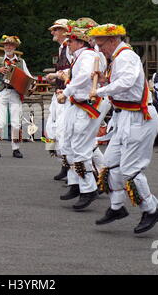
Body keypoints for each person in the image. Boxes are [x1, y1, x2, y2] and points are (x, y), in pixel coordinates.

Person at [88, 23, 158, 234]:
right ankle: (116, 207)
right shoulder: (117, 59)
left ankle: (151, 209)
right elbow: (121, 83)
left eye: (100, 44)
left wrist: (100, 89)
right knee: (110, 164)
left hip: (139, 118)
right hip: (124, 118)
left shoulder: (127, 56)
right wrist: (104, 80)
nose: (99, 48)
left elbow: (128, 82)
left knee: (130, 169)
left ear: (113, 40)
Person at [56, 26, 106, 210]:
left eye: (70, 40)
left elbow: (86, 76)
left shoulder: (88, 56)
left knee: (79, 147)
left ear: (79, 42)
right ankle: (75, 183)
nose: (67, 43)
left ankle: (88, 189)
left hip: (86, 106)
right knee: (66, 144)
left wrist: (67, 90)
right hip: (75, 103)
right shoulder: (80, 56)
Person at [0, 35, 33, 158]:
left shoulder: (21, 62)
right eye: (6, 45)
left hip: (15, 93)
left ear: (15, 47)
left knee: (16, 122)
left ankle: (16, 148)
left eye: (11, 45)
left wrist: (31, 86)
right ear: (3, 47)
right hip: (3, 92)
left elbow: (29, 77)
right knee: (0, 121)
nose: (8, 47)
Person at [45, 19, 72, 181]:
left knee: (63, 131)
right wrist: (55, 78)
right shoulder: (62, 48)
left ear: (64, 31)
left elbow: (73, 69)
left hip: (66, 94)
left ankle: (72, 168)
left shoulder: (70, 46)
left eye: (56, 29)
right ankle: (63, 163)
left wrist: (55, 75)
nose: (53, 32)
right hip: (59, 92)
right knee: (50, 129)